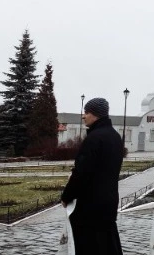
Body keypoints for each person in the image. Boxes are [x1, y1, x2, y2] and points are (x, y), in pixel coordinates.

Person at [61, 97, 124, 255]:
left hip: (90, 206)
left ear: (95, 114)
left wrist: (66, 196)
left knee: (88, 246)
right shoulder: (115, 137)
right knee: (107, 245)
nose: (84, 116)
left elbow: (82, 173)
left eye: (86, 112)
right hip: (108, 202)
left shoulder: (94, 138)